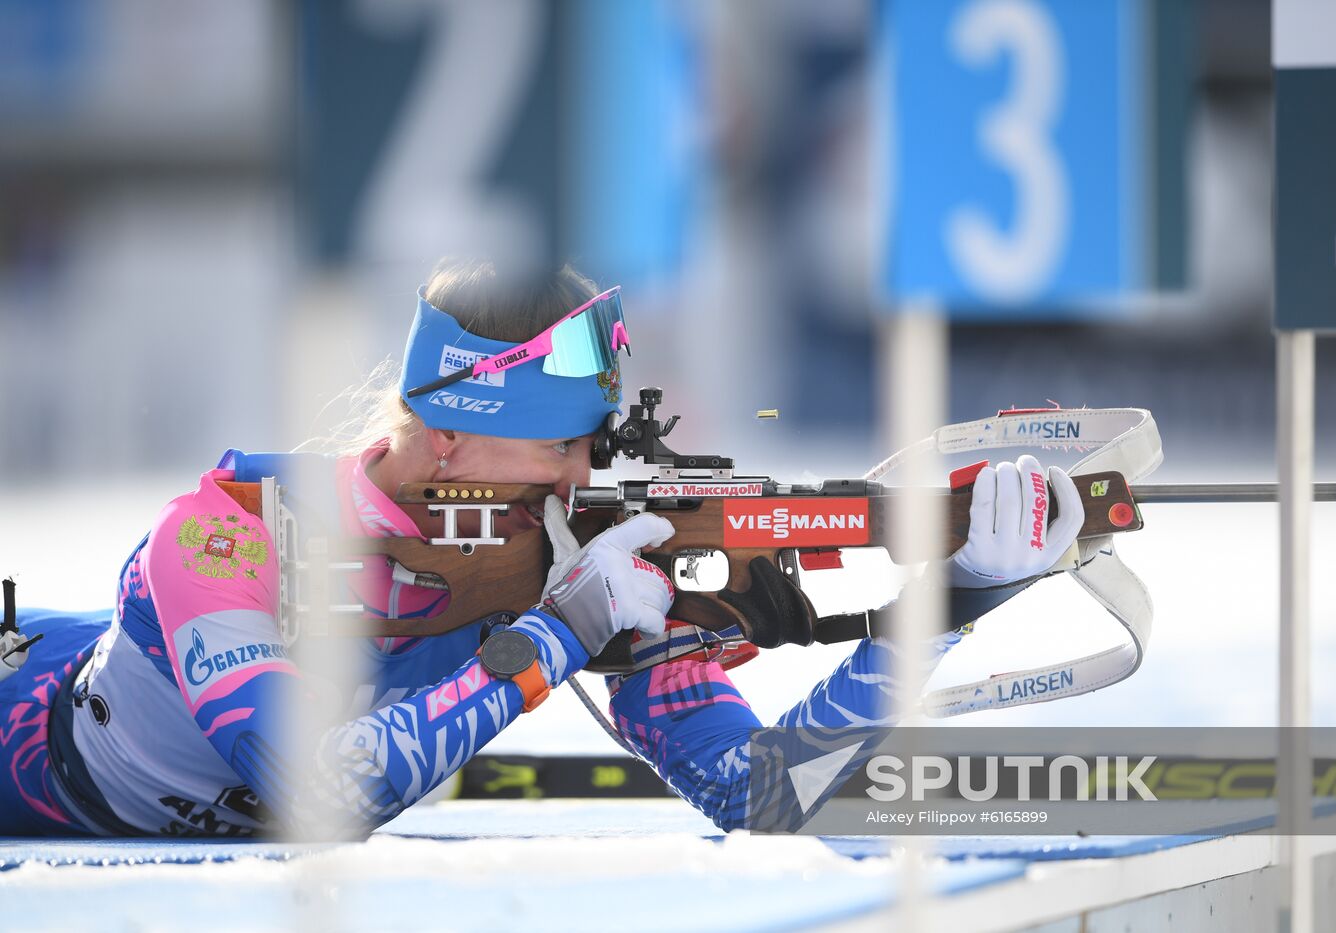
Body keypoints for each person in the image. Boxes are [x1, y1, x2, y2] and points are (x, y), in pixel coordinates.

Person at [0, 260, 1082, 838]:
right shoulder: (229, 537)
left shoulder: (570, 544)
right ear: (450, 431)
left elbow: (768, 796)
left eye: (596, 446)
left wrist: (946, 603)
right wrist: (554, 635)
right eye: (557, 447)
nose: (582, 481)